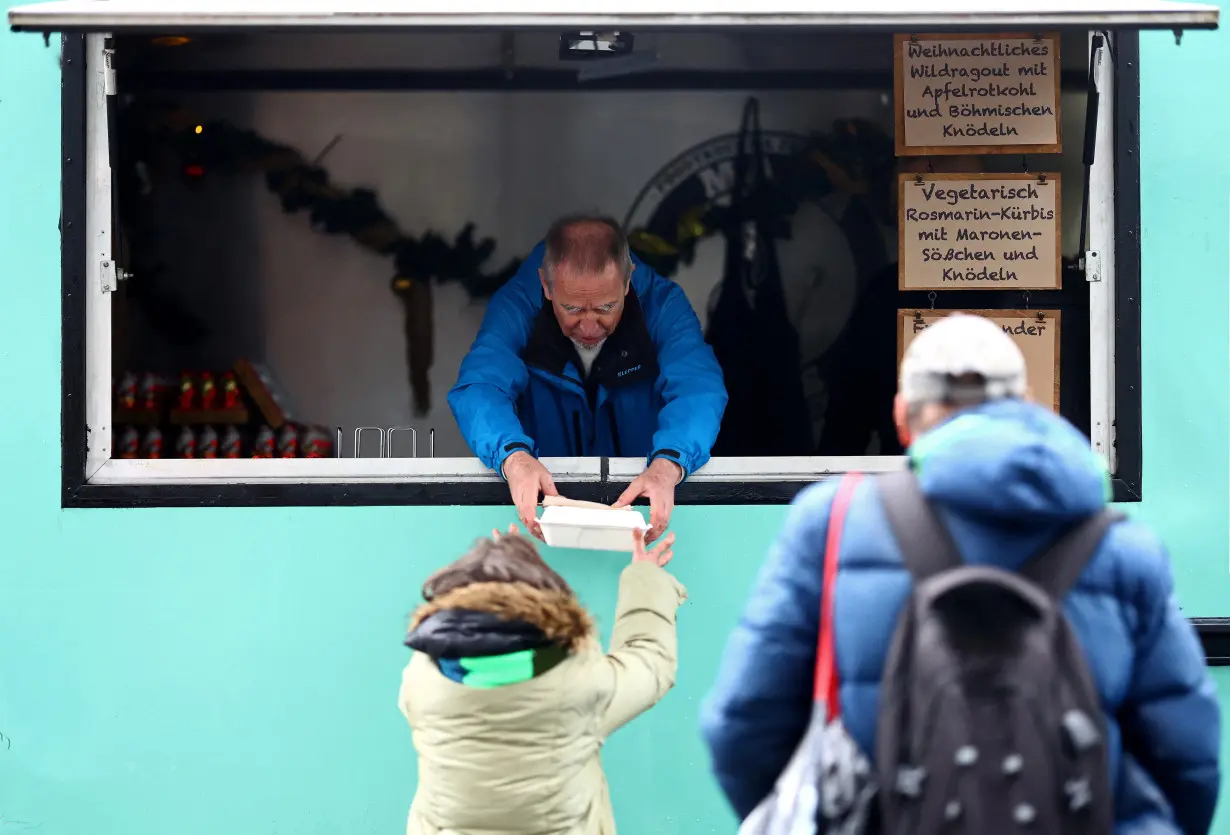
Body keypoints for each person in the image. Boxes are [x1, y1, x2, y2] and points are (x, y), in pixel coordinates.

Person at [700, 314, 1220, 834]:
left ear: (902, 419)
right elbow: (1188, 755)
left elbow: (741, 726)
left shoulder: (832, 523)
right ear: (1027, 402)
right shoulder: (1122, 547)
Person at [448, 214, 727, 542]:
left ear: (627, 282)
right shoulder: (516, 305)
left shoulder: (664, 306)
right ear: (546, 285)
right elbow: (480, 387)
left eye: (606, 307)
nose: (591, 327)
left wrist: (669, 463)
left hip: (642, 510)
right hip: (545, 516)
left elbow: (699, 389)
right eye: (573, 309)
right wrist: (513, 457)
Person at [398, 523, 685, 835]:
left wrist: (498, 567)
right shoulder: (581, 685)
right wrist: (644, 577)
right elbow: (650, 659)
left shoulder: (422, 682)